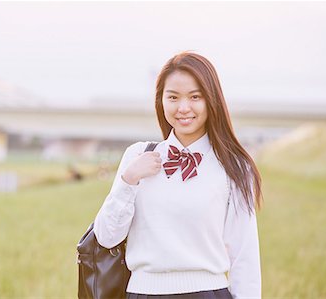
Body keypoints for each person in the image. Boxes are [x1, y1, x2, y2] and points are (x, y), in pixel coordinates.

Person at [93, 51, 263, 299]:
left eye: (195, 97)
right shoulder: (137, 156)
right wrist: (128, 181)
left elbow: (244, 257)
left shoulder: (233, 166)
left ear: (211, 100)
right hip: (141, 293)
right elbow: (107, 237)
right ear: (160, 101)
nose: (183, 108)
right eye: (173, 97)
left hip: (207, 293)